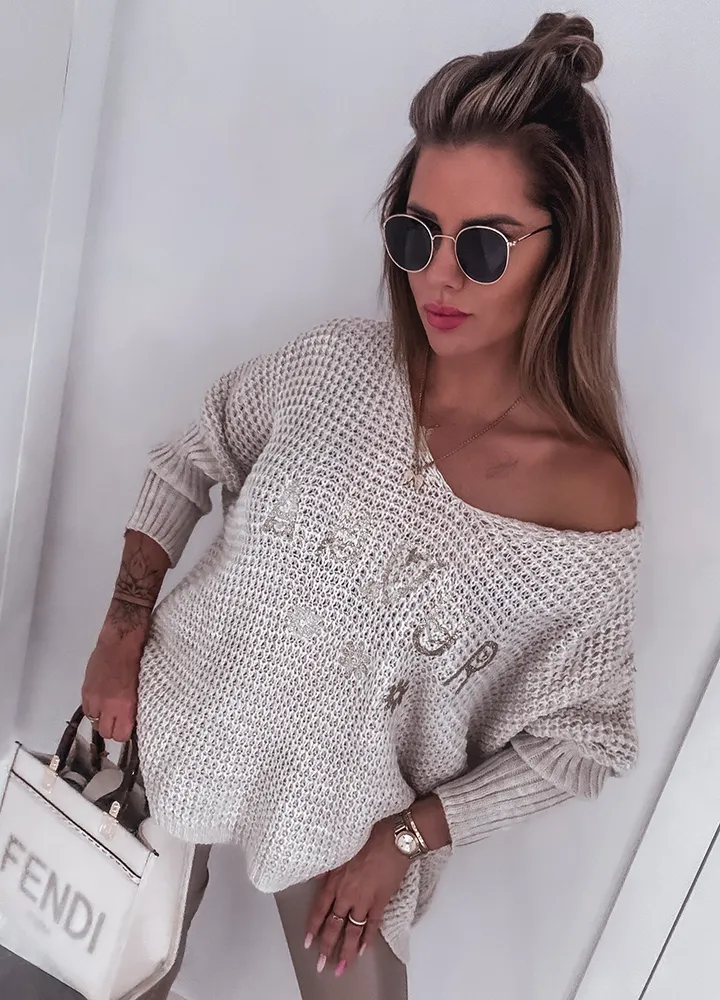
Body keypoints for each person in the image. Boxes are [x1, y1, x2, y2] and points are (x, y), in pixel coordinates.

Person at [81, 12, 642, 1000]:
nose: (437, 276)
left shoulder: (581, 492)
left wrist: (406, 839)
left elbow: (585, 735)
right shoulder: (338, 366)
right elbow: (189, 456)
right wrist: (121, 634)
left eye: (483, 246)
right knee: (94, 979)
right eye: (415, 233)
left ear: (567, 247)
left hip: (345, 822)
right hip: (169, 723)